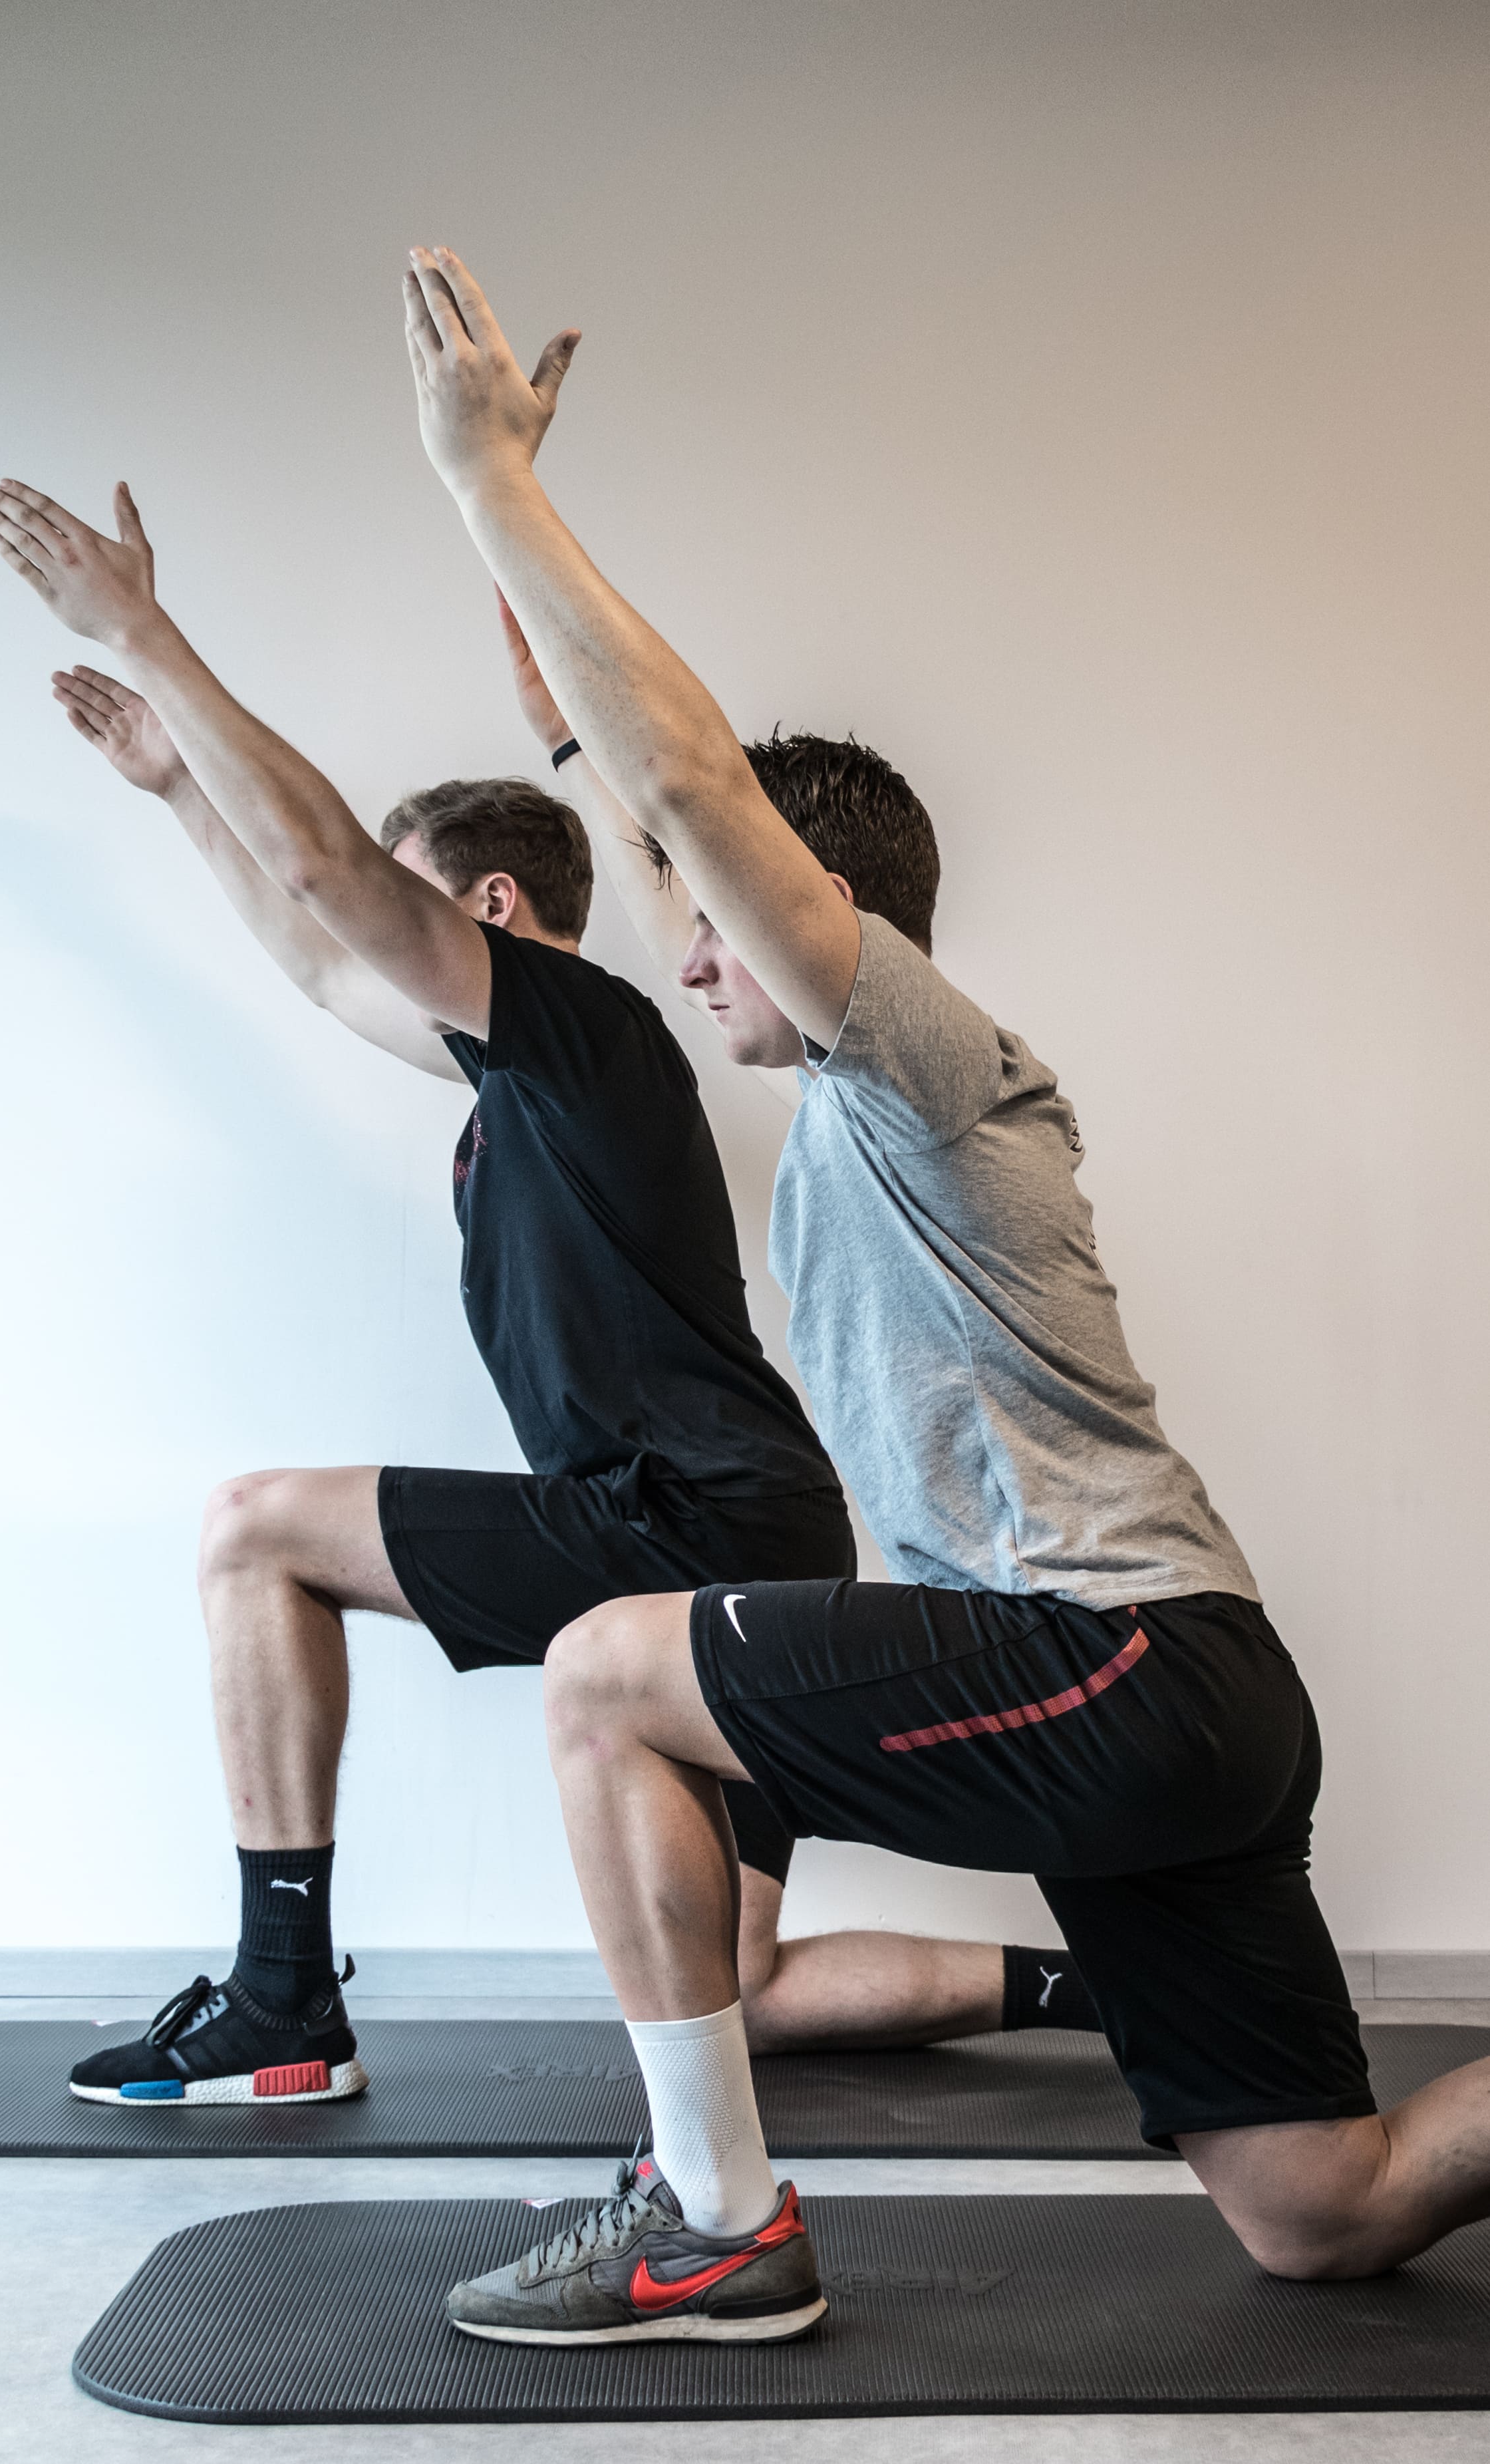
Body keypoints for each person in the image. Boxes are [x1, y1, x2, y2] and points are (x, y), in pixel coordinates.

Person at [396, 245, 1490, 2344]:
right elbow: (662, 817)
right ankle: (710, 2197)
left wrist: (487, 493)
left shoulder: (927, 1065)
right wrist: (544, 644)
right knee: (1320, 2212)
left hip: (1119, 1665)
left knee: (608, 1667)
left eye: (708, 926)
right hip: (1194, 1702)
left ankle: (708, 2224)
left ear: (805, 921)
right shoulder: (845, 1104)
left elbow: (703, 814)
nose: (679, 953)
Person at [0, 474, 1088, 2109]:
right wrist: (176, 794)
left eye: (413, 897)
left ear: (491, 908)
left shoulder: (583, 1028)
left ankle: (283, 1992)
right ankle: (1101, 1979)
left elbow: (329, 880)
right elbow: (320, 950)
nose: (377, 927)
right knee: (741, 1991)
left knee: (251, 1529)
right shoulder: (527, 1083)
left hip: (678, 1515)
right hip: (750, 1522)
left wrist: (148, 634)